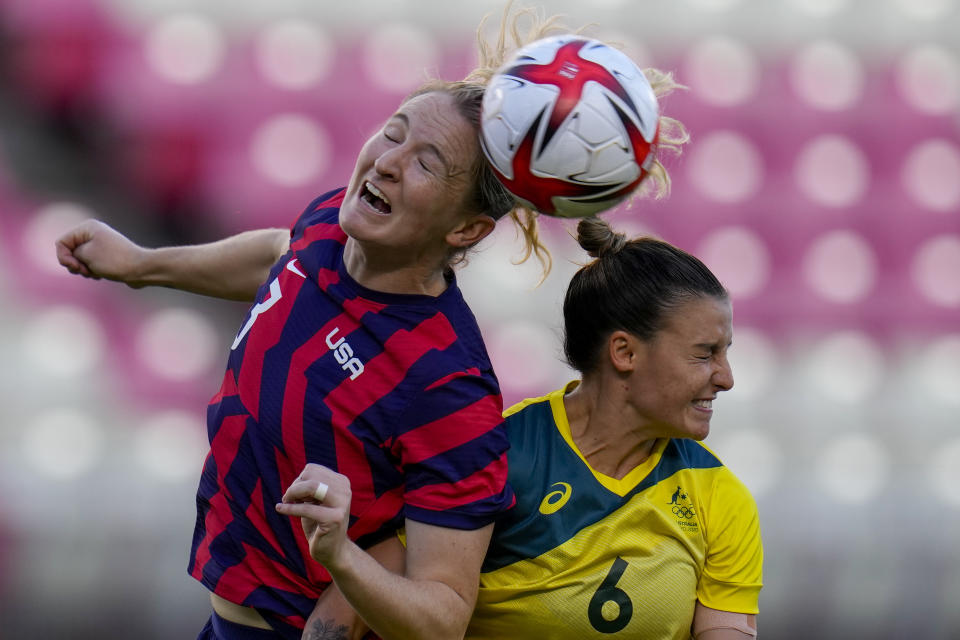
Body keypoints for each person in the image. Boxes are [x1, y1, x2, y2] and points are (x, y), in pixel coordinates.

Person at [54, 5, 688, 640]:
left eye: (427, 163)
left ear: (465, 229)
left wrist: (341, 557)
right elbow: (282, 253)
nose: (388, 161)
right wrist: (142, 264)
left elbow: (442, 615)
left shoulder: (445, 387)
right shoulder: (333, 222)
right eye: (394, 132)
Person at [463, 217, 763, 639]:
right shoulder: (500, 456)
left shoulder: (721, 500)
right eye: (704, 355)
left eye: (725, 353)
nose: (726, 378)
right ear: (624, 352)